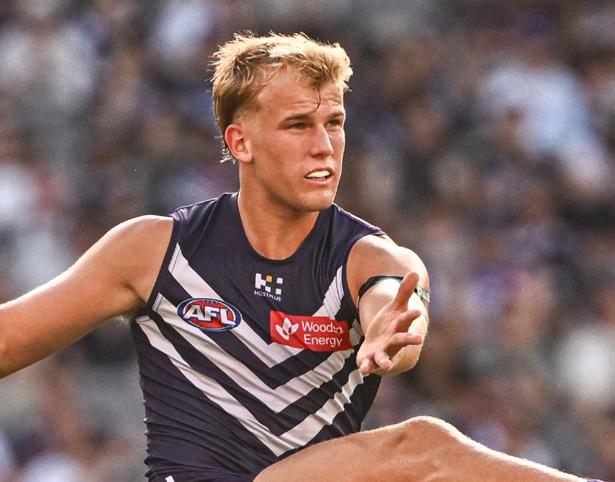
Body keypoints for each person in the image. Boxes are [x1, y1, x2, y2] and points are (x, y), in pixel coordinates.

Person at [0, 32, 601, 482]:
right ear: (240, 142)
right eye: (297, 125)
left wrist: (394, 330)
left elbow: (394, 310)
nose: (324, 145)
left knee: (421, 446)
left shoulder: (368, 257)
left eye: (334, 122)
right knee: (421, 446)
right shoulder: (155, 250)